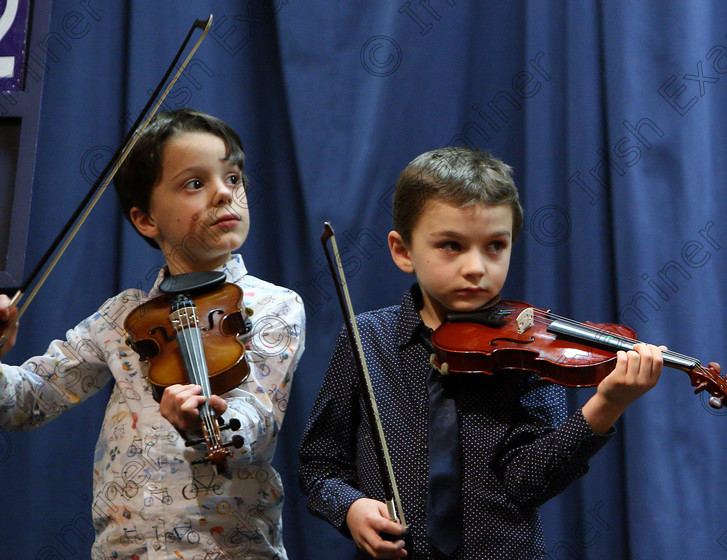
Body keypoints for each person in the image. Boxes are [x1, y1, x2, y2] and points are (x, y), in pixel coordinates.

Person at [298, 146, 663, 559]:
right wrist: (350, 508)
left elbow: (528, 483)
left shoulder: (529, 349)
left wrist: (606, 405)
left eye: (494, 246)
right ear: (403, 251)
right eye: (451, 245)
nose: (476, 267)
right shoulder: (366, 339)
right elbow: (319, 466)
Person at [0, 109, 305, 559]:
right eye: (195, 183)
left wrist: (207, 426)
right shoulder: (122, 317)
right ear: (145, 220)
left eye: (234, 178)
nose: (225, 193)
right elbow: (29, 400)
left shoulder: (273, 305)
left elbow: (258, 425)